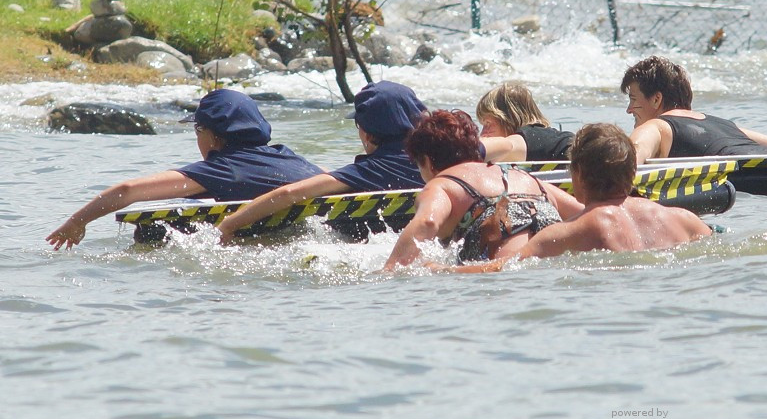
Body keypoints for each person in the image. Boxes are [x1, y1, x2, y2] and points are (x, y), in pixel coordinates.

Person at [46, 88, 323, 250]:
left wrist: (77, 222)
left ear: (213, 136)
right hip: (299, 234)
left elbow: (128, 191)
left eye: (197, 129)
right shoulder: (293, 159)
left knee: (151, 226)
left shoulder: (220, 170)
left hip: (246, 246)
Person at [431, 123, 715, 273]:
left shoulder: (570, 231)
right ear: (632, 171)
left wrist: (438, 270)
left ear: (576, 173)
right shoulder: (686, 220)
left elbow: (500, 269)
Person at [216, 80, 426, 243]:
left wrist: (229, 224)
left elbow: (290, 193)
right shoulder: (436, 159)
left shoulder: (371, 169)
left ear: (369, 134)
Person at [382, 109, 584, 270]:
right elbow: (584, 213)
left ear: (426, 161)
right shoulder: (524, 177)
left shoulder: (441, 184)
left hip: (507, 275)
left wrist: (389, 270)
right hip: (553, 265)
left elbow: (427, 221)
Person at [621, 56, 767, 164]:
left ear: (656, 99)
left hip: (744, 178)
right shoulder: (725, 125)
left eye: (633, 99)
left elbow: (634, 153)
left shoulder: (656, 126)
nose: (629, 110)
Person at [475, 81, 574, 162]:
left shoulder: (526, 138)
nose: (483, 133)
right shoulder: (549, 138)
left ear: (508, 118)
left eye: (488, 124)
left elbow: (507, 147)